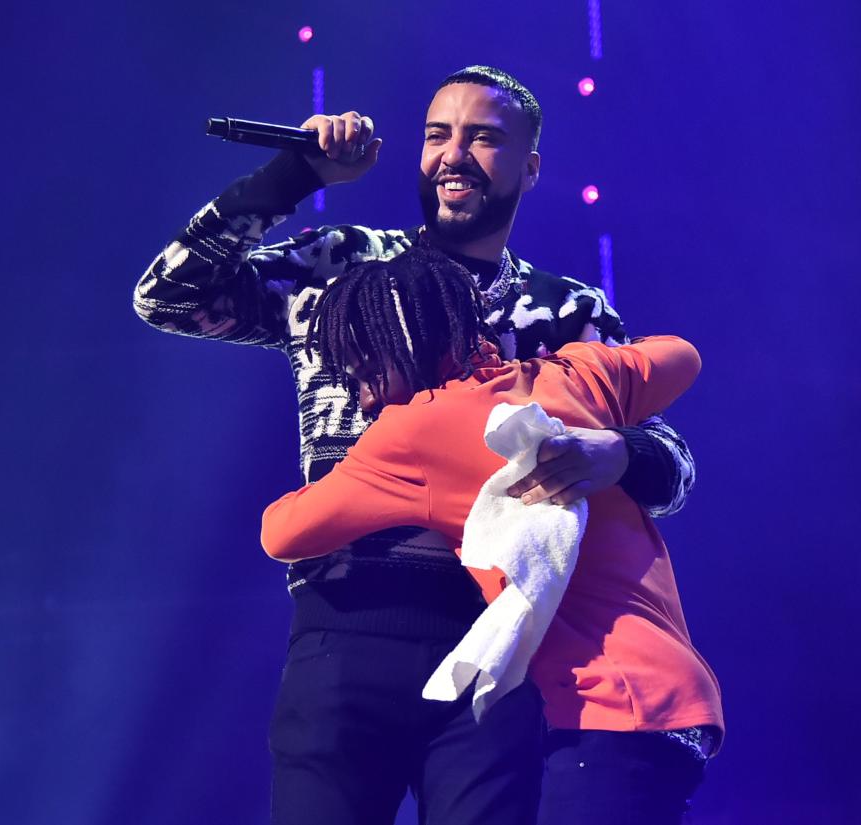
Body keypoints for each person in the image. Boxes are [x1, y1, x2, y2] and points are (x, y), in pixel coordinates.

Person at [134, 66, 698, 824]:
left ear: (530, 166)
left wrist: (617, 456)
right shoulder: (343, 264)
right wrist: (294, 174)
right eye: (438, 134)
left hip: (496, 640)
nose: (454, 154)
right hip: (345, 621)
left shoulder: (566, 308)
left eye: (484, 137)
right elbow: (169, 296)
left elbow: (674, 460)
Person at [260, 246, 724, 825]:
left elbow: (283, 532)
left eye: (368, 368)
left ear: (413, 349)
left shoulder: (414, 429)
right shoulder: (574, 374)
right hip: (672, 695)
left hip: (600, 709)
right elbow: (682, 356)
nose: (364, 396)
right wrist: (619, 443)